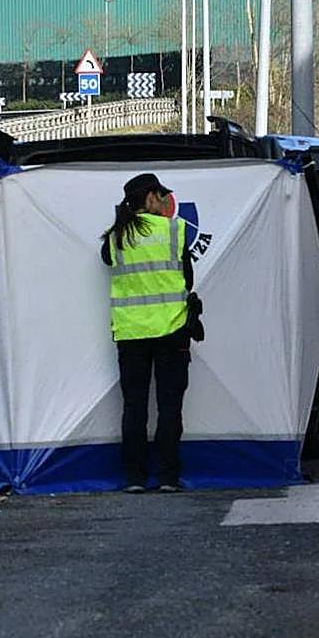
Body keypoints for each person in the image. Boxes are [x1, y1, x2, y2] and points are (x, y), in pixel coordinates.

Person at [101, 172, 195, 493]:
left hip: (130, 333)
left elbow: (106, 260)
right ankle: (168, 477)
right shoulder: (174, 229)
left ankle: (135, 478)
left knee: (134, 406)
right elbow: (189, 279)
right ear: (152, 198)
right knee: (169, 406)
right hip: (172, 329)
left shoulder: (116, 236)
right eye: (162, 197)